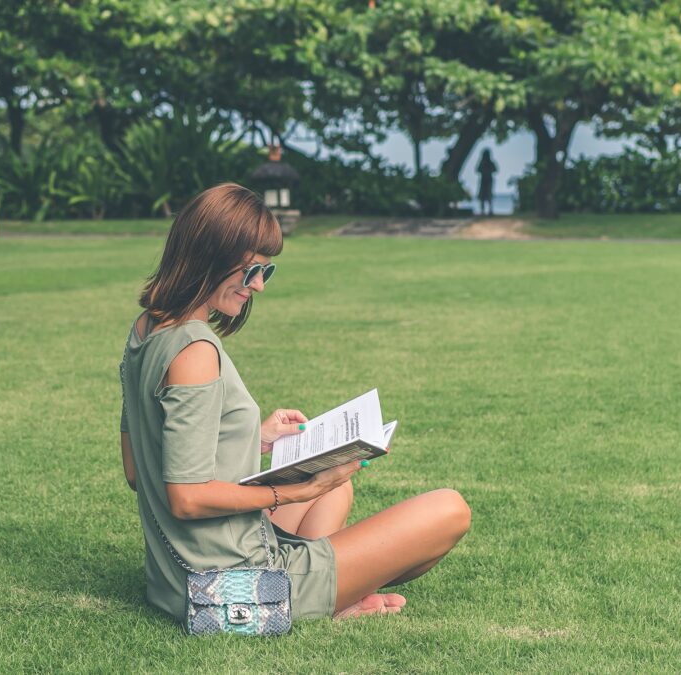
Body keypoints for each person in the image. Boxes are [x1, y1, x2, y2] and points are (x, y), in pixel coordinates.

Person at [118, 182, 470, 625]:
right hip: (229, 590)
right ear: (209, 255)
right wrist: (292, 491)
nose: (259, 287)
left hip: (173, 582)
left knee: (336, 487)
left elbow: (139, 468)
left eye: (268, 272)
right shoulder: (195, 352)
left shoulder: (146, 330)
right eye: (250, 272)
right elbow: (186, 498)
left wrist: (253, 436)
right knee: (449, 510)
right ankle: (322, 599)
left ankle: (326, 593)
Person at [476, 149, 498, 216]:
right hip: (484, 181)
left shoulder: (490, 163)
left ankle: (489, 211)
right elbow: (477, 170)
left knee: (488, 196)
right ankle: (483, 211)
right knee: (483, 196)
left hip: (488, 180)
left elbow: (495, 170)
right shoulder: (482, 163)